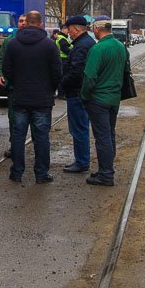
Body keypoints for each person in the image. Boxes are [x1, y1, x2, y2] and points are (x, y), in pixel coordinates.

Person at [1, 10, 62, 184]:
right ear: (41, 24)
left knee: (19, 137)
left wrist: (14, 84)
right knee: (42, 138)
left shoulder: (13, 44)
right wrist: (52, 88)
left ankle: (17, 172)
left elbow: (7, 70)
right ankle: (41, 174)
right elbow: (57, 72)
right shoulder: (50, 45)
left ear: (26, 23)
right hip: (43, 99)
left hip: (20, 98)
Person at [80, 18, 129, 186]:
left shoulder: (98, 48)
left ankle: (106, 175)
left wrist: (84, 96)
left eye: (93, 28)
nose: (92, 30)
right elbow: (126, 71)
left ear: (98, 29)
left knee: (102, 138)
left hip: (98, 99)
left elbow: (89, 77)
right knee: (109, 135)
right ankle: (106, 169)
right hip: (114, 98)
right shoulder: (120, 46)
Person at [57, 15, 95, 173]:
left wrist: (62, 84)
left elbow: (76, 72)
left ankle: (82, 161)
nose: (68, 32)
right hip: (81, 92)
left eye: (69, 29)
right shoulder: (86, 43)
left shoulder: (80, 46)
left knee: (78, 128)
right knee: (81, 127)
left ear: (76, 29)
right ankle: (81, 160)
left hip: (76, 93)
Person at [0, 13, 27, 158]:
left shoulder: (40, 40)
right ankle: (15, 146)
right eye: (20, 21)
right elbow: (0, 60)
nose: (23, 23)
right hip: (14, 87)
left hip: (32, 88)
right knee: (14, 119)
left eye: (26, 21)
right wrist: (0, 74)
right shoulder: (9, 40)